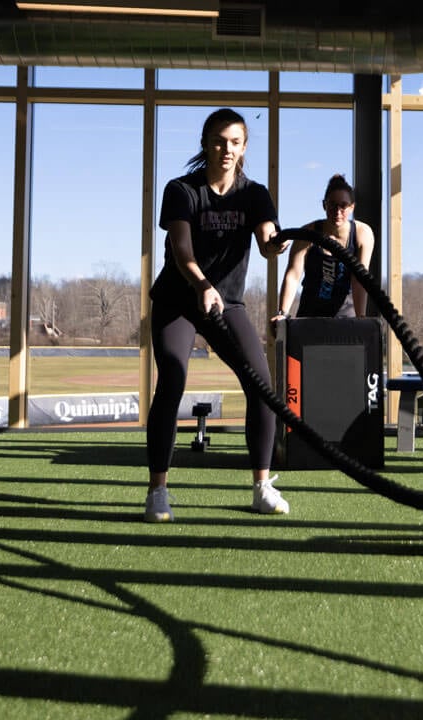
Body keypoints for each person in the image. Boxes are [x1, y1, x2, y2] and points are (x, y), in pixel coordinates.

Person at [144, 108, 292, 523]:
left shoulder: (255, 193)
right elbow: (181, 250)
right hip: (179, 300)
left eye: (235, 142)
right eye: (219, 141)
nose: (227, 149)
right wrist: (202, 284)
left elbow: (266, 239)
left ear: (244, 147)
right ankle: (158, 491)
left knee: (262, 385)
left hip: (227, 303)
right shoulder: (182, 190)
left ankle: (261, 487)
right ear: (206, 143)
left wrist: (274, 245)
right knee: (172, 379)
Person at [272, 174, 376, 321]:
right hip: (310, 314)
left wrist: (361, 318)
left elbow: (359, 279)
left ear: (352, 207)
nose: (338, 211)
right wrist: (282, 313)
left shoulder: (362, 233)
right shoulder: (307, 233)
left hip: (345, 315)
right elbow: (293, 275)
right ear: (324, 205)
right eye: (332, 204)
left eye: (343, 206)